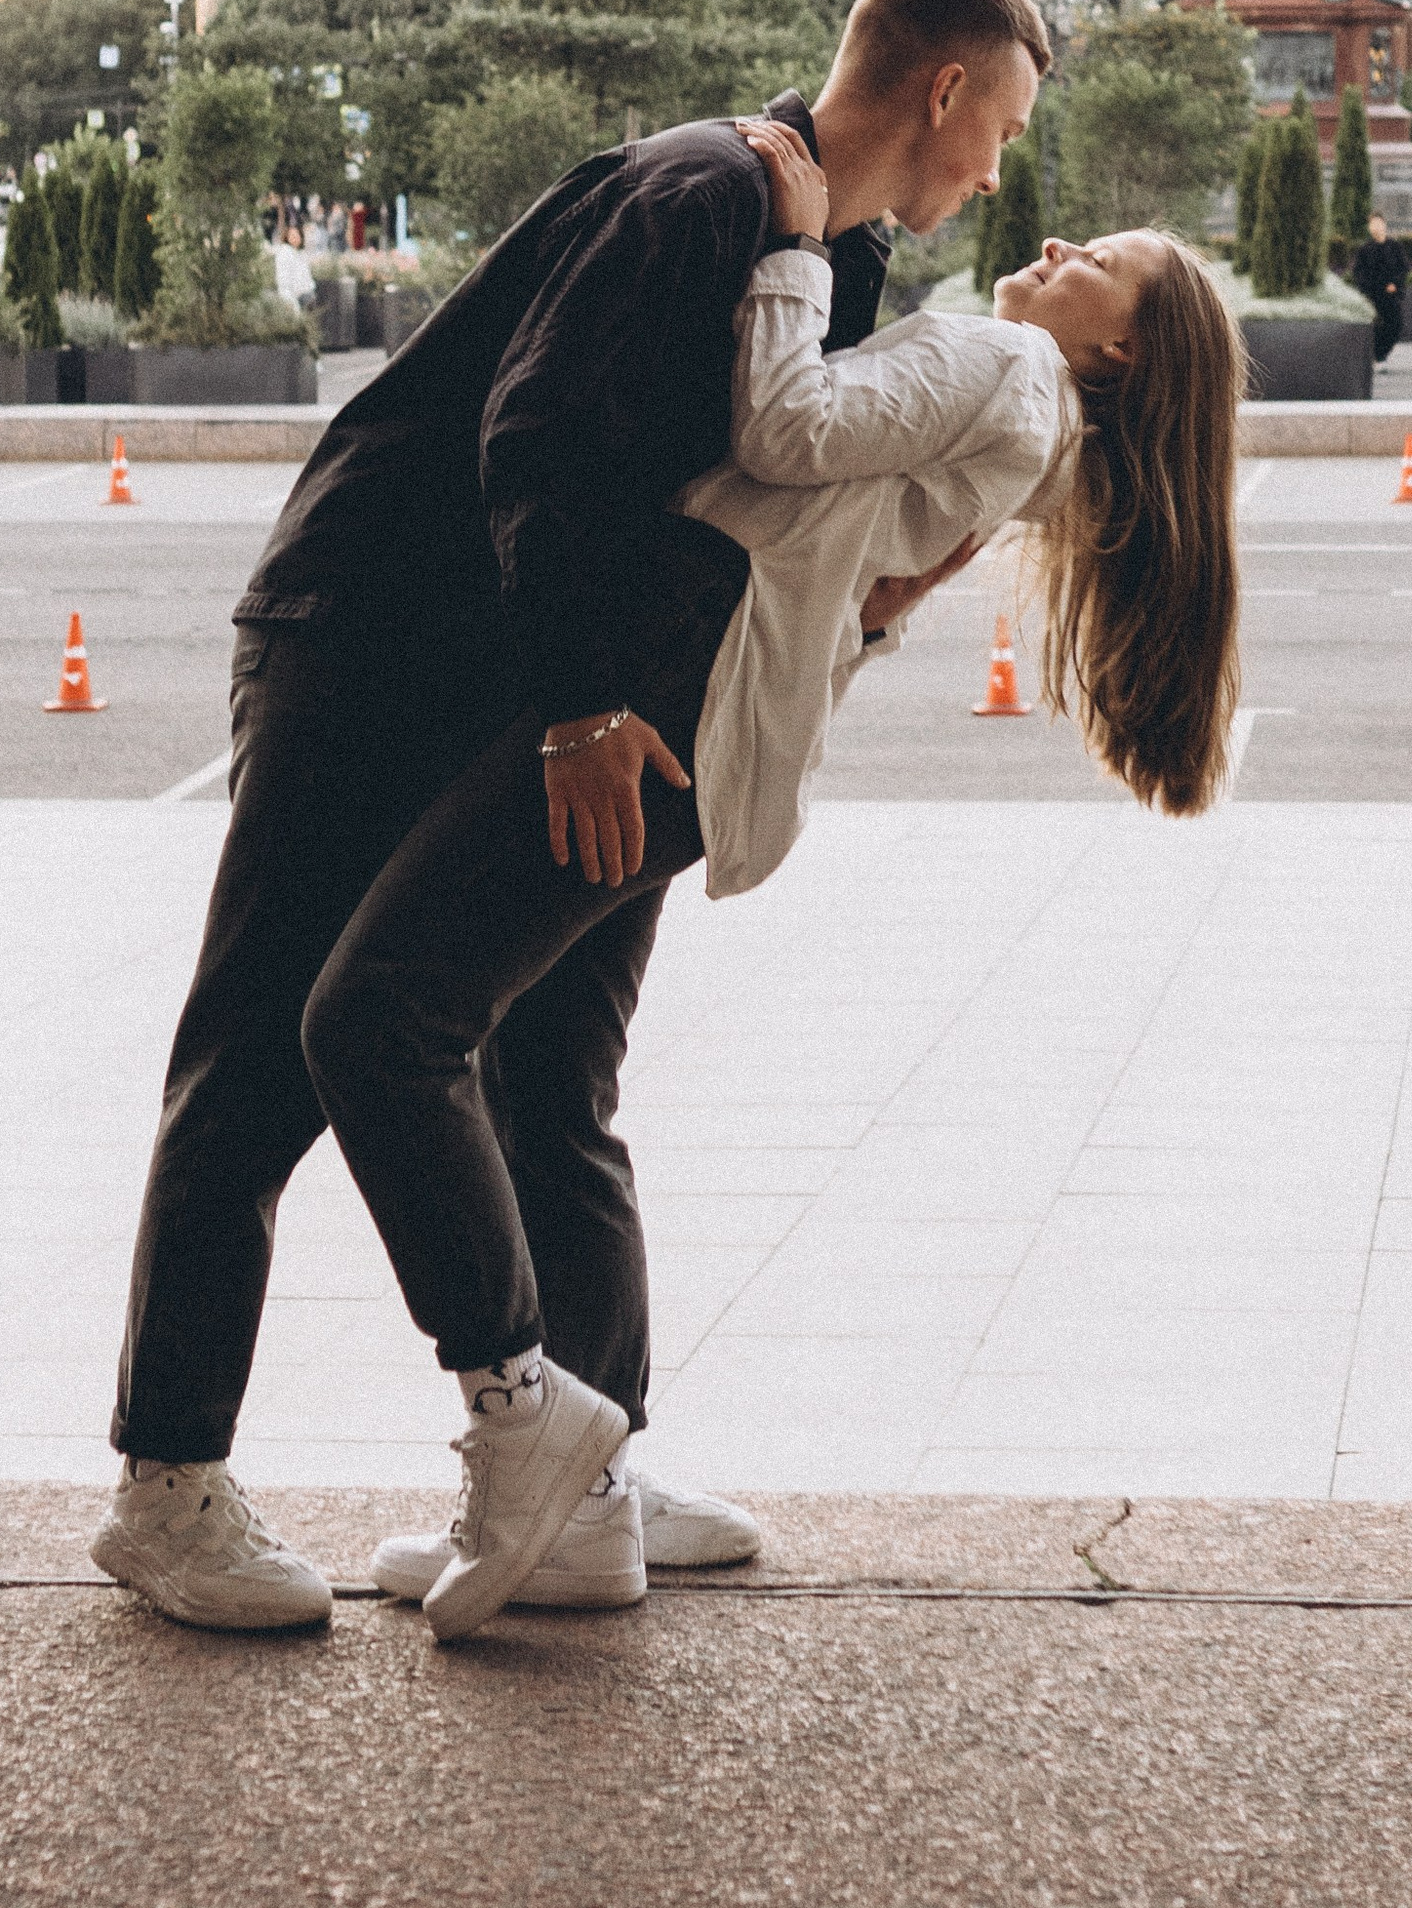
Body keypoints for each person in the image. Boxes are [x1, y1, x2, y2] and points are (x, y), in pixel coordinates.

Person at [90, 0, 1048, 1640]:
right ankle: (168, 1485)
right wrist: (589, 702)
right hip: (377, 632)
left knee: (558, 1070)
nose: (998, 173)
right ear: (946, 90)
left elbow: (764, 490)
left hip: (536, 678)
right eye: (1006, 130)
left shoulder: (829, 249)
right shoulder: (704, 189)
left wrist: (871, 599)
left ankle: (586, 1481)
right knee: (265, 1053)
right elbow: (538, 436)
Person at [358, 130, 1245, 1619]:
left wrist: (788, 243)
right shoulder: (1037, 434)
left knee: (391, 1020)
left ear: (1123, 352)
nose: (1055, 245)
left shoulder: (1004, 365)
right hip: (716, 728)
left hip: (660, 695)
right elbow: (860, 572)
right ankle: (595, 1493)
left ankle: (540, 1431)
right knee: (555, 1082)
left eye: (1099, 264)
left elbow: (782, 428)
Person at [1352, 211, 1410, 367]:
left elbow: (1403, 268)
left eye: (1378, 224)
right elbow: (1358, 272)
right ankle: (1378, 356)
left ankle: (1382, 353)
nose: (1376, 227)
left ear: (1384, 225)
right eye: (1372, 224)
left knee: (1395, 325)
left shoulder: (1395, 247)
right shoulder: (1365, 249)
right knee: (1375, 327)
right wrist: (1366, 289)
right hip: (1373, 295)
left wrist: (1395, 284)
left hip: (1391, 295)